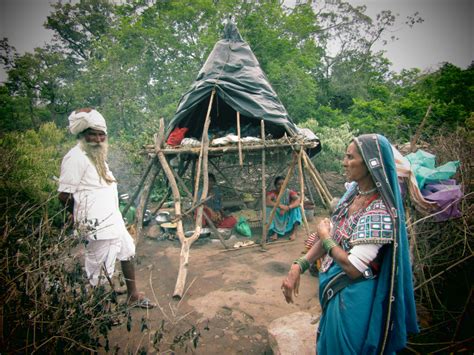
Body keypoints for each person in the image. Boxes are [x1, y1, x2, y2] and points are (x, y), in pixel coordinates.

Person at [281, 134, 418, 354]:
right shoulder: (352, 194)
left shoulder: (379, 211)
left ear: (370, 163)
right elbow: (331, 236)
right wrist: (299, 265)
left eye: (350, 157)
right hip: (336, 290)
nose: (344, 162)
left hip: (353, 297)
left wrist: (325, 236)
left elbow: (353, 268)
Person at [58, 108, 155, 309]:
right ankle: (99, 311)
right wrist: (77, 216)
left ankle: (133, 295)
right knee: (99, 269)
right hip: (97, 225)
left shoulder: (97, 156)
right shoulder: (75, 157)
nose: (98, 138)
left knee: (127, 251)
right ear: (82, 135)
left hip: (113, 220)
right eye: (93, 134)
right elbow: (64, 195)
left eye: (101, 134)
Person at [266, 176, 302, 241]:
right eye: (278, 184)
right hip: (278, 213)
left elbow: (298, 200)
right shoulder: (272, 193)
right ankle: (275, 232)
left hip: (287, 213)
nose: (281, 186)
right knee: (268, 209)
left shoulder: (289, 192)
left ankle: (294, 233)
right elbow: (267, 202)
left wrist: (288, 207)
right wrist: (280, 206)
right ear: (275, 185)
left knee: (296, 209)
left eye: (283, 184)